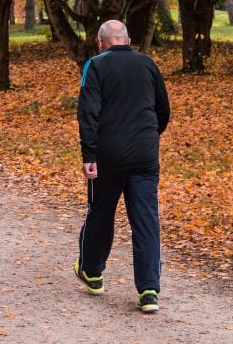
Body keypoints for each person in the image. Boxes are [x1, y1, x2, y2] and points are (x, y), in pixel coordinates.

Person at [73, 20, 170, 313]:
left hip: (108, 155)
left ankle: (92, 271)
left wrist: (89, 155)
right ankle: (149, 289)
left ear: (101, 42)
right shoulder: (147, 63)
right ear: (127, 39)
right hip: (145, 154)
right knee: (146, 219)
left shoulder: (95, 65)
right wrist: (149, 137)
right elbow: (163, 108)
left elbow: (88, 112)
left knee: (100, 211)